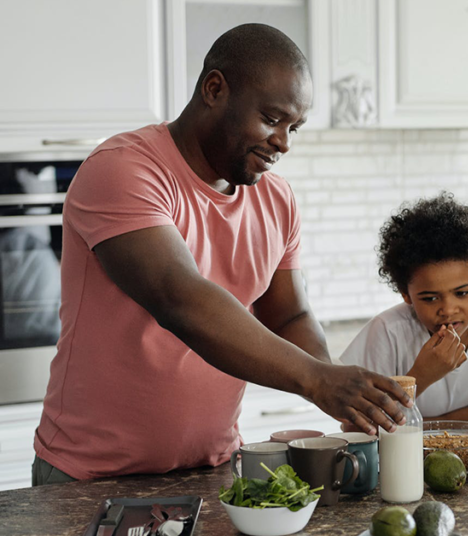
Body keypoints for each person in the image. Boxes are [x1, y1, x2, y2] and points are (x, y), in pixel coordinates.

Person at [32, 24, 411, 485]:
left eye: (294, 127)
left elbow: (289, 315)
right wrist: (316, 379)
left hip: (213, 469)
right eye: (272, 119)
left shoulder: (276, 198)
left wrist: (337, 390)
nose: (284, 142)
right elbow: (180, 299)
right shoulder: (123, 169)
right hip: (91, 476)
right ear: (214, 89)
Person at [339, 193, 468, 423]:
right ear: (405, 293)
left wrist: (416, 429)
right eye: (429, 298)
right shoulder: (387, 332)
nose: (447, 310)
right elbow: (356, 427)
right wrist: (421, 376)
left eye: (462, 293)